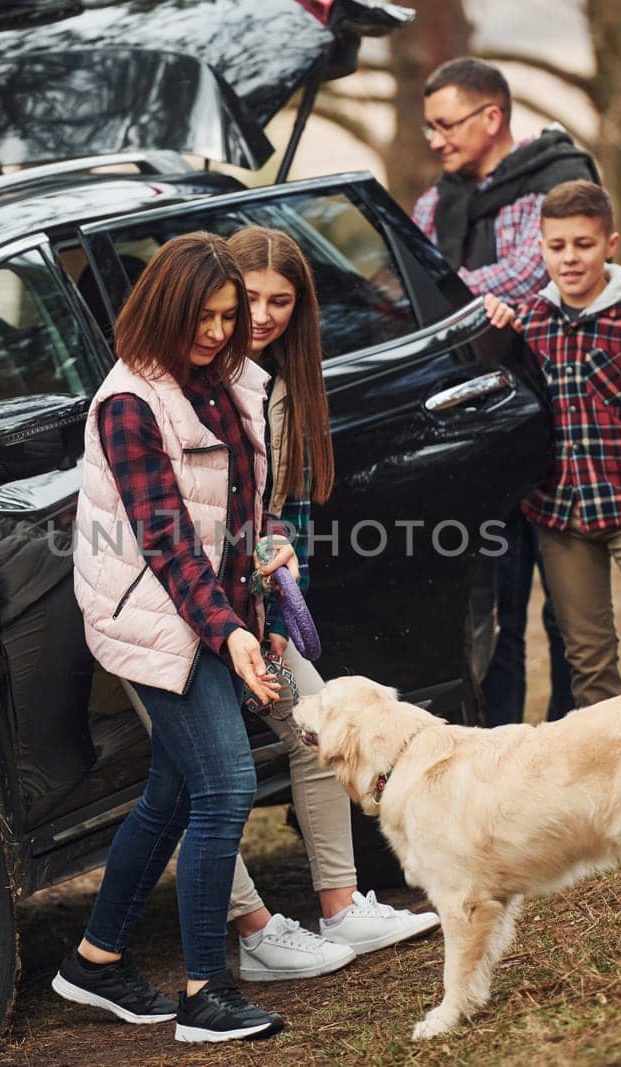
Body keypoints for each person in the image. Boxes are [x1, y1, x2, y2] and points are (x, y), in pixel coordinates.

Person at [52, 232, 285, 1043]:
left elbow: (239, 523)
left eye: (229, 317)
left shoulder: (223, 384)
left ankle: (95, 959)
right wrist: (227, 635)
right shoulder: (129, 402)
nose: (219, 332)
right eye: (204, 316)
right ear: (166, 308)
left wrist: (255, 623)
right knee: (225, 787)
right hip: (147, 614)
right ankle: (203, 992)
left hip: (205, 615)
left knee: (176, 790)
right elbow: (169, 541)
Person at [218, 225, 441, 982]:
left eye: (281, 300)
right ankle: (252, 928)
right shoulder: (200, 380)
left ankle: (342, 905)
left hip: (254, 606)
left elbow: (281, 515)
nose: (264, 314)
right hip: (190, 611)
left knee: (319, 734)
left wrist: (279, 599)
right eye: (251, 296)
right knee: (202, 774)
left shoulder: (284, 380)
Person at [411, 56, 598, 726]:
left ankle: (579, 745)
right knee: (497, 613)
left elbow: (531, 273)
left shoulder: (555, 182)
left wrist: (448, 298)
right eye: (428, 127)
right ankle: (506, 757)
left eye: (445, 124)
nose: (434, 140)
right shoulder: (436, 204)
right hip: (480, 431)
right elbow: (414, 290)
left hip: (562, 430)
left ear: (492, 117)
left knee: (572, 616)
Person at [490, 179, 621, 708]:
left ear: (610, 244)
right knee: (587, 657)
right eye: (557, 246)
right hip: (561, 516)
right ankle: (612, 771)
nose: (570, 259)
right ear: (540, 247)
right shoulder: (530, 323)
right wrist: (495, 326)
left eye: (583, 245)